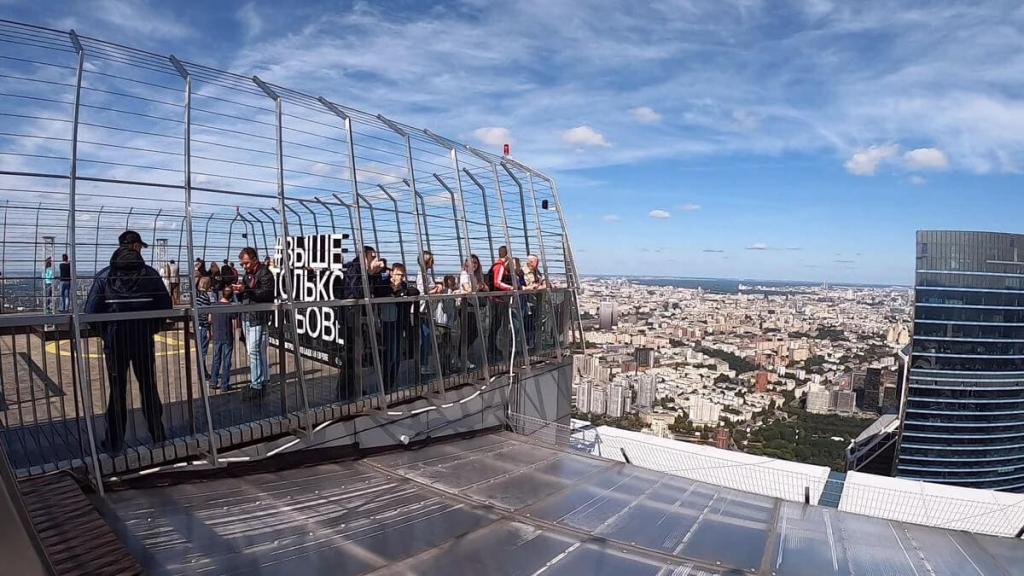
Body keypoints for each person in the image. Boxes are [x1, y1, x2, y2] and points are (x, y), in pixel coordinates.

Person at [84, 230, 171, 452]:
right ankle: (158, 436)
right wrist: (152, 328)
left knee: (117, 390)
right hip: (142, 339)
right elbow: (165, 307)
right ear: (135, 246)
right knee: (148, 387)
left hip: (115, 341)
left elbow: (90, 312)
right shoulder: (150, 274)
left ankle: (114, 441)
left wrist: (106, 333)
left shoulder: (104, 276)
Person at [233, 247, 274, 397]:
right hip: (248, 315)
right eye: (242, 264)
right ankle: (261, 381)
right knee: (254, 350)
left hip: (257, 316)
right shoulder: (249, 275)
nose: (244, 266)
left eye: (246, 263)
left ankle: (257, 384)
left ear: (254, 260)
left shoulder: (264, 274)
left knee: (255, 351)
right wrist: (239, 292)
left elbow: (267, 294)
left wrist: (245, 290)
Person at [379, 262, 419, 390]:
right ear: (392, 273)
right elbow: (379, 292)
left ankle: (391, 382)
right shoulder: (384, 284)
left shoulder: (404, 286)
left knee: (396, 354)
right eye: (398, 274)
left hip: (399, 322)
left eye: (402, 275)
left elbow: (415, 291)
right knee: (390, 353)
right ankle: (385, 382)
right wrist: (393, 290)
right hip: (387, 321)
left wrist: (400, 291)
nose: (400, 278)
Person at [415, 250, 443, 375]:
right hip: (423, 311)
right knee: (425, 340)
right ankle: (423, 365)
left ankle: (424, 364)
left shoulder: (426, 274)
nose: (433, 262)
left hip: (426, 311)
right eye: (431, 260)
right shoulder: (422, 275)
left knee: (427, 339)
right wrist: (436, 289)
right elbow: (422, 292)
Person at [488, 246, 515, 362]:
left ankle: (493, 348)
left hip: (497, 299)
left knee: (496, 325)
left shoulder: (497, 265)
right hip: (497, 300)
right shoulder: (500, 266)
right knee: (496, 325)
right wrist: (511, 288)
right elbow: (497, 282)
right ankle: (492, 349)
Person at [209, 285, 238, 391]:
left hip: (216, 335)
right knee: (226, 360)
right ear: (231, 296)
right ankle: (224, 384)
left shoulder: (214, 306)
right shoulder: (230, 307)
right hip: (227, 336)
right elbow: (235, 316)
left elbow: (209, 319)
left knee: (216, 359)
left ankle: (213, 381)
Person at [195, 275, 213, 377]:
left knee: (199, 349)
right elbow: (206, 314)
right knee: (203, 350)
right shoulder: (205, 297)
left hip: (197, 325)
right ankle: (202, 371)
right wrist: (208, 329)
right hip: (203, 326)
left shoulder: (196, 295)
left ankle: (201, 370)